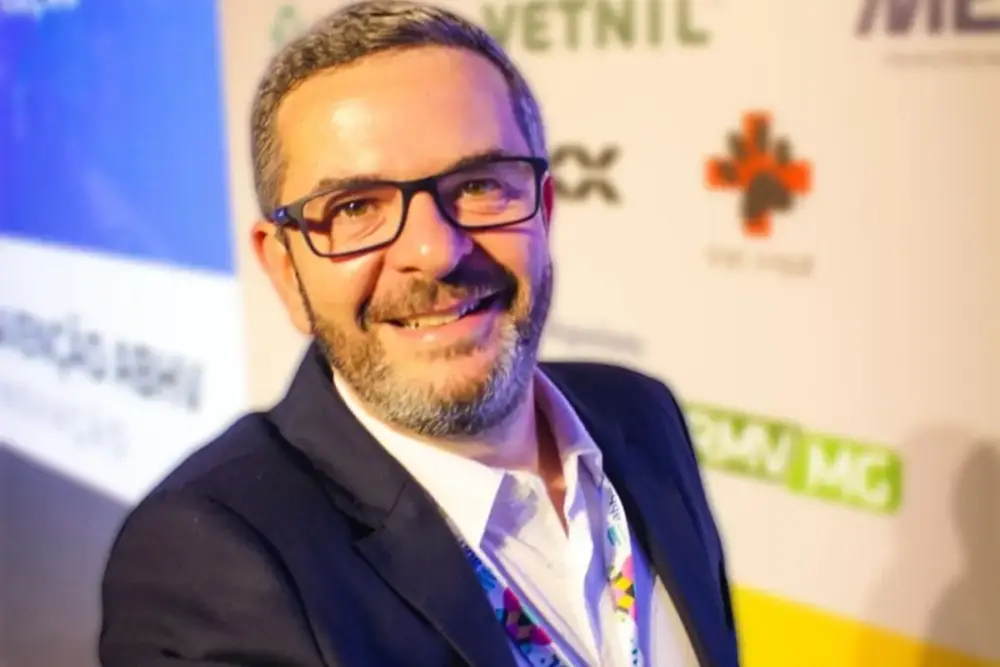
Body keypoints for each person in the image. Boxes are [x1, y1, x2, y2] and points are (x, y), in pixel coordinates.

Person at [98, 2, 739, 665]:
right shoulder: (208, 558)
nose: (435, 251)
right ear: (286, 269)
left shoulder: (641, 415)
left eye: (479, 185)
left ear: (543, 212)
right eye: (355, 207)